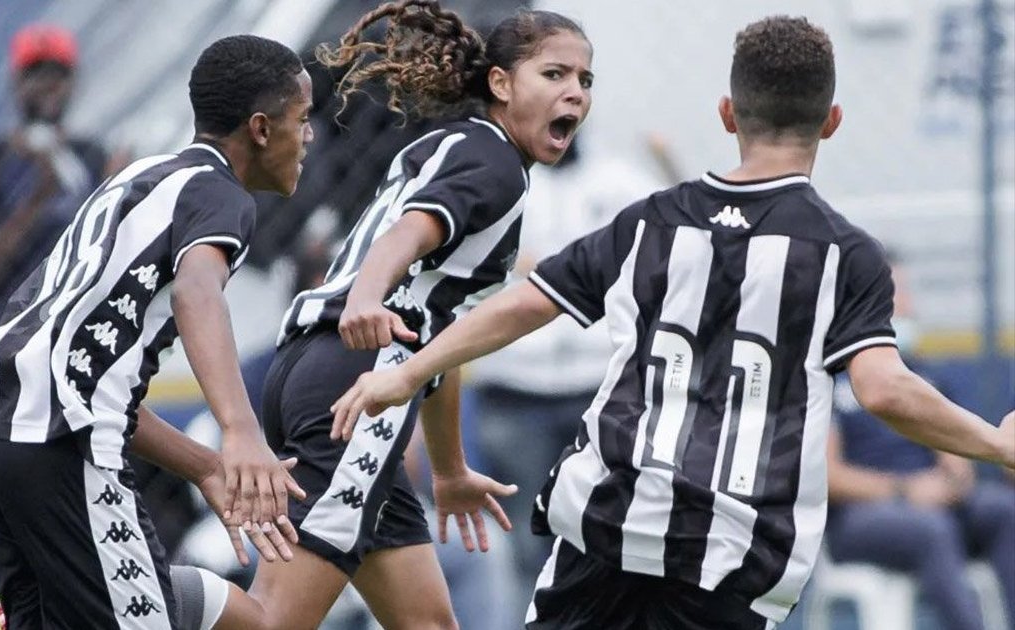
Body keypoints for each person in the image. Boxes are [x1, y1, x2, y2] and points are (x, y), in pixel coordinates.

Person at [330, 15, 1015, 630]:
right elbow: (885, 390)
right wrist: (995, 443)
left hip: (606, 527)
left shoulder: (652, 221)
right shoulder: (844, 253)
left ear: (727, 114)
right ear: (831, 120)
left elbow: (523, 304)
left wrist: (410, 374)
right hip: (731, 551)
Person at [247, 2, 594, 628]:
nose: (574, 92)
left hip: (322, 373)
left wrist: (451, 468)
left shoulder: (456, 145)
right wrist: (365, 297)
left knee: (430, 622)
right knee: (273, 619)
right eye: (554, 74)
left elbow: (442, 335)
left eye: (584, 81)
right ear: (500, 83)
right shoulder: (495, 168)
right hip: (356, 387)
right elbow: (407, 235)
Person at [0, 34, 314, 629]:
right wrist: (240, 431)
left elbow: (86, 381)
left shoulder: (136, 179)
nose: (308, 137)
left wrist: (206, 467)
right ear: (259, 128)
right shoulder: (221, 197)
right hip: (62, 450)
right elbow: (197, 292)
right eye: (301, 120)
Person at [468, 136, 664, 595]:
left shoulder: (620, 180)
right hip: (512, 388)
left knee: (610, 536)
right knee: (523, 541)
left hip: (601, 386)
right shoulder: (490, 183)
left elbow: (681, 246)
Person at [826, 256, 1015, 630]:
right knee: (932, 529)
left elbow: (954, 455)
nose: (907, 305)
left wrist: (957, 477)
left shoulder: (922, 374)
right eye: (896, 294)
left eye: (907, 293)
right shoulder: (829, 380)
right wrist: (905, 491)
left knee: (1003, 510)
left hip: (933, 503)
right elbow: (826, 476)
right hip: (862, 517)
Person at [0, 24, 111, 399]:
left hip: (77, 339)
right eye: (35, 74)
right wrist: (36, 201)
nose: (47, 86)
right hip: (0, 339)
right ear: (16, 82)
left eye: (57, 75)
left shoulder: (92, 158)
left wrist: (116, 193)